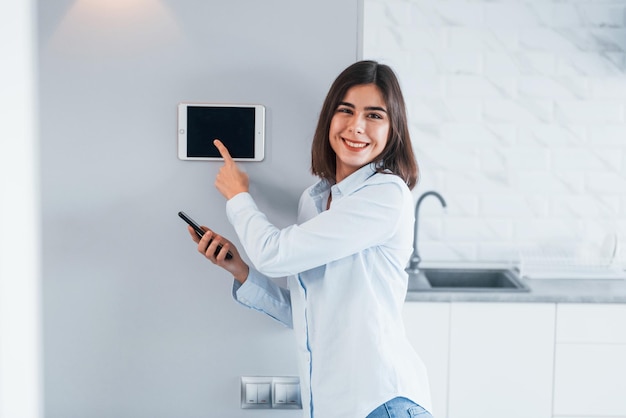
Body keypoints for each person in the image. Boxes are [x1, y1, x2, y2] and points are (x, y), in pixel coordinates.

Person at [187, 60, 433, 418]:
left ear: (393, 129)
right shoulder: (315, 201)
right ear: (329, 120)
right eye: (345, 111)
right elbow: (307, 314)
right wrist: (241, 270)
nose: (356, 126)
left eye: (375, 116)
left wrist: (238, 196)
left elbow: (273, 255)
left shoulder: (386, 195)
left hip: (382, 403)